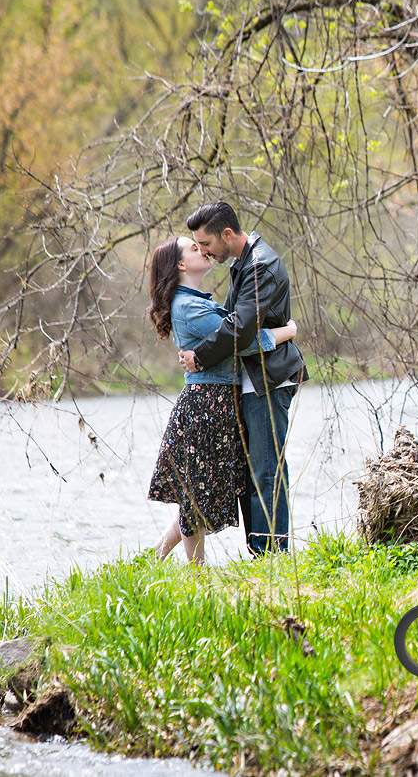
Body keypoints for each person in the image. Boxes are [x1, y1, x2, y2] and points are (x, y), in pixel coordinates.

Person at [146, 236, 298, 564]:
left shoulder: (197, 300)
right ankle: (196, 577)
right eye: (193, 248)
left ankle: (151, 560)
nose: (203, 250)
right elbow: (239, 341)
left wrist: (199, 355)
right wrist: (288, 332)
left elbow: (228, 335)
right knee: (195, 496)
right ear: (181, 265)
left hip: (215, 402)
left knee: (197, 493)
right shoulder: (190, 306)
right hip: (205, 405)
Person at [177, 201, 309, 555]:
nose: (203, 252)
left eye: (205, 244)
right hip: (254, 381)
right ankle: (264, 554)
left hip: (269, 380)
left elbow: (241, 329)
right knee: (257, 474)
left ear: (228, 234)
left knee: (267, 473)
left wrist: (200, 356)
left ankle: (271, 557)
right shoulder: (246, 264)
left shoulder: (260, 265)